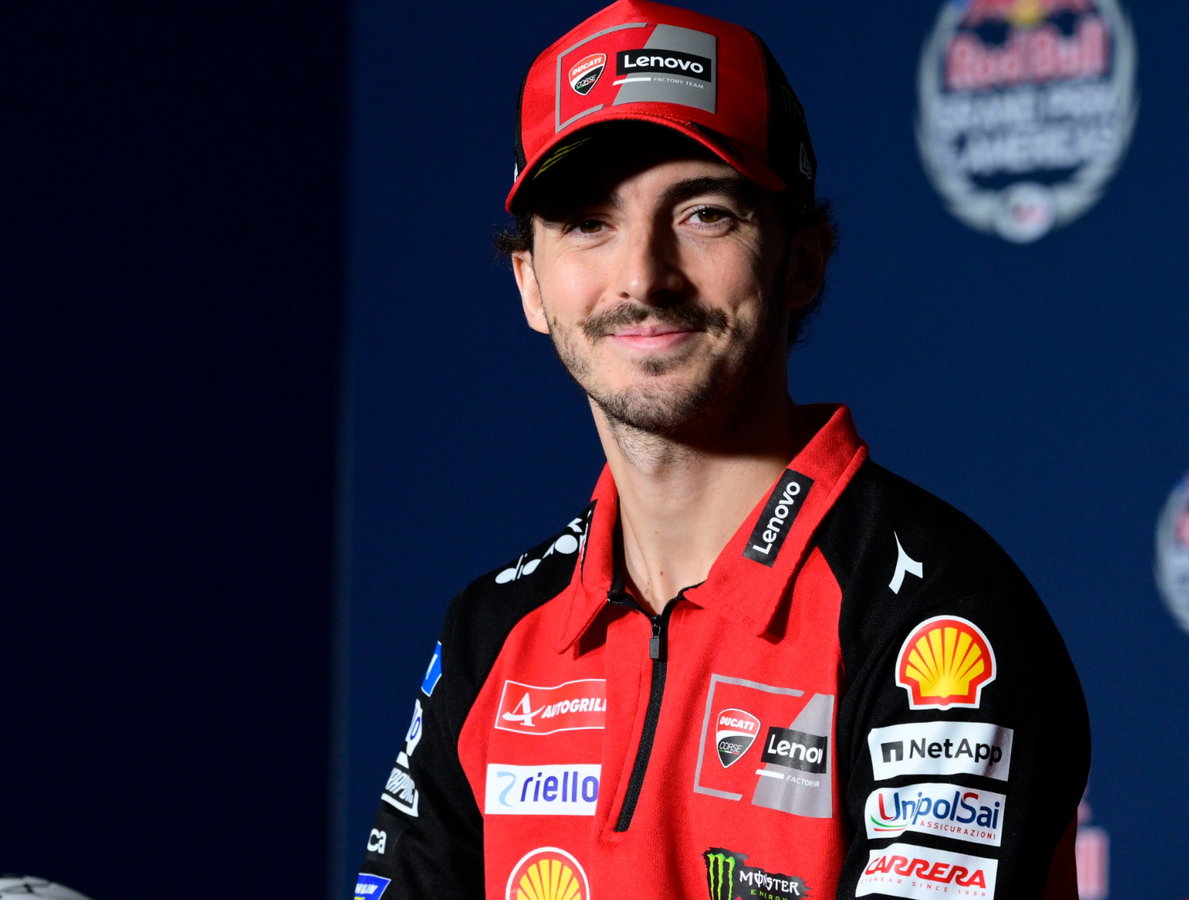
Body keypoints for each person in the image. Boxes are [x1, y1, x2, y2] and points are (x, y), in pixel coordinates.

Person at [355, 2, 1089, 898]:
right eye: (588, 223)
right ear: (530, 285)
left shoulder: (934, 617)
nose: (642, 276)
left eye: (703, 213)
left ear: (804, 260)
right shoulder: (493, 634)